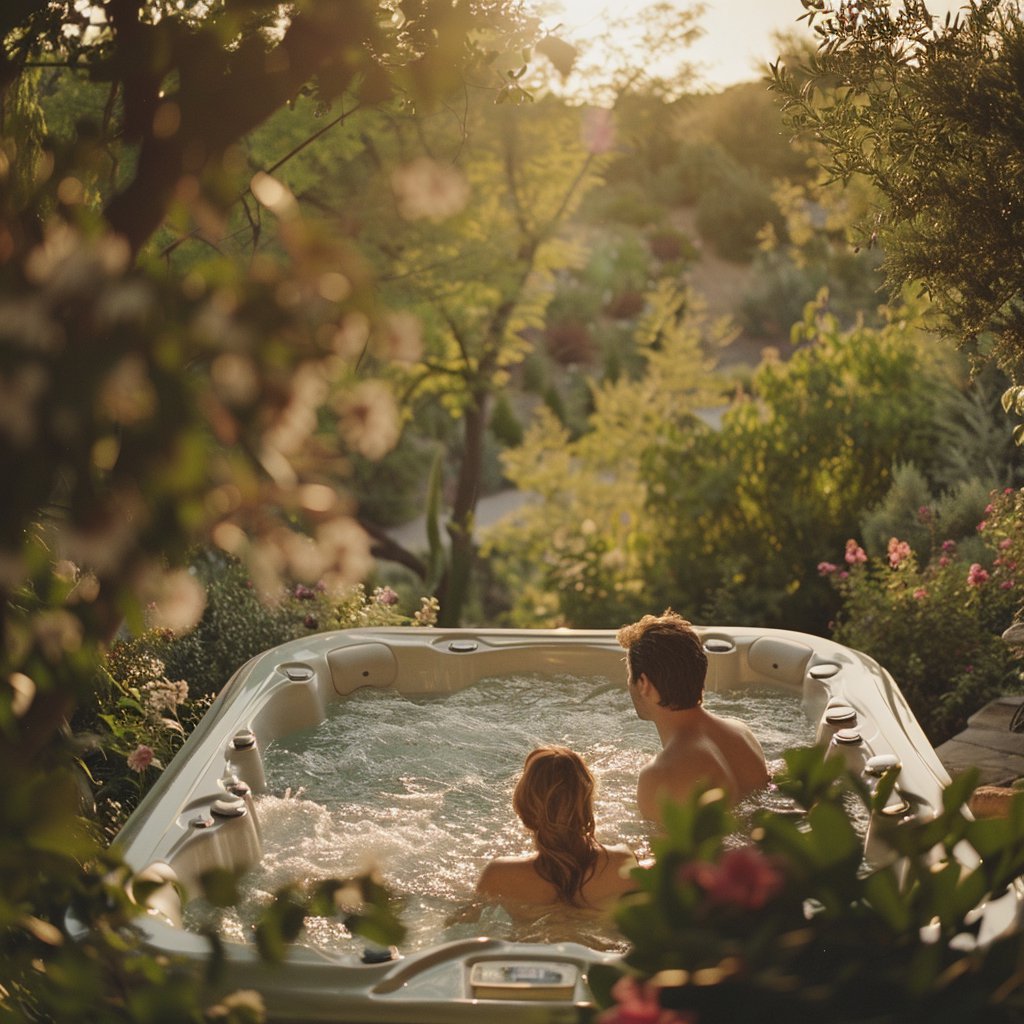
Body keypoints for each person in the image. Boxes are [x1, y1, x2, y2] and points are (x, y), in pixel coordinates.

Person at [617, 610, 770, 824]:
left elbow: (662, 855)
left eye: (630, 676)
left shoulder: (660, 776)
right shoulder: (742, 733)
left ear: (644, 684)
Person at [474, 746, 638, 914]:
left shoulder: (499, 875)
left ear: (524, 805)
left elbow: (460, 924)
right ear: (586, 802)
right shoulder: (621, 861)